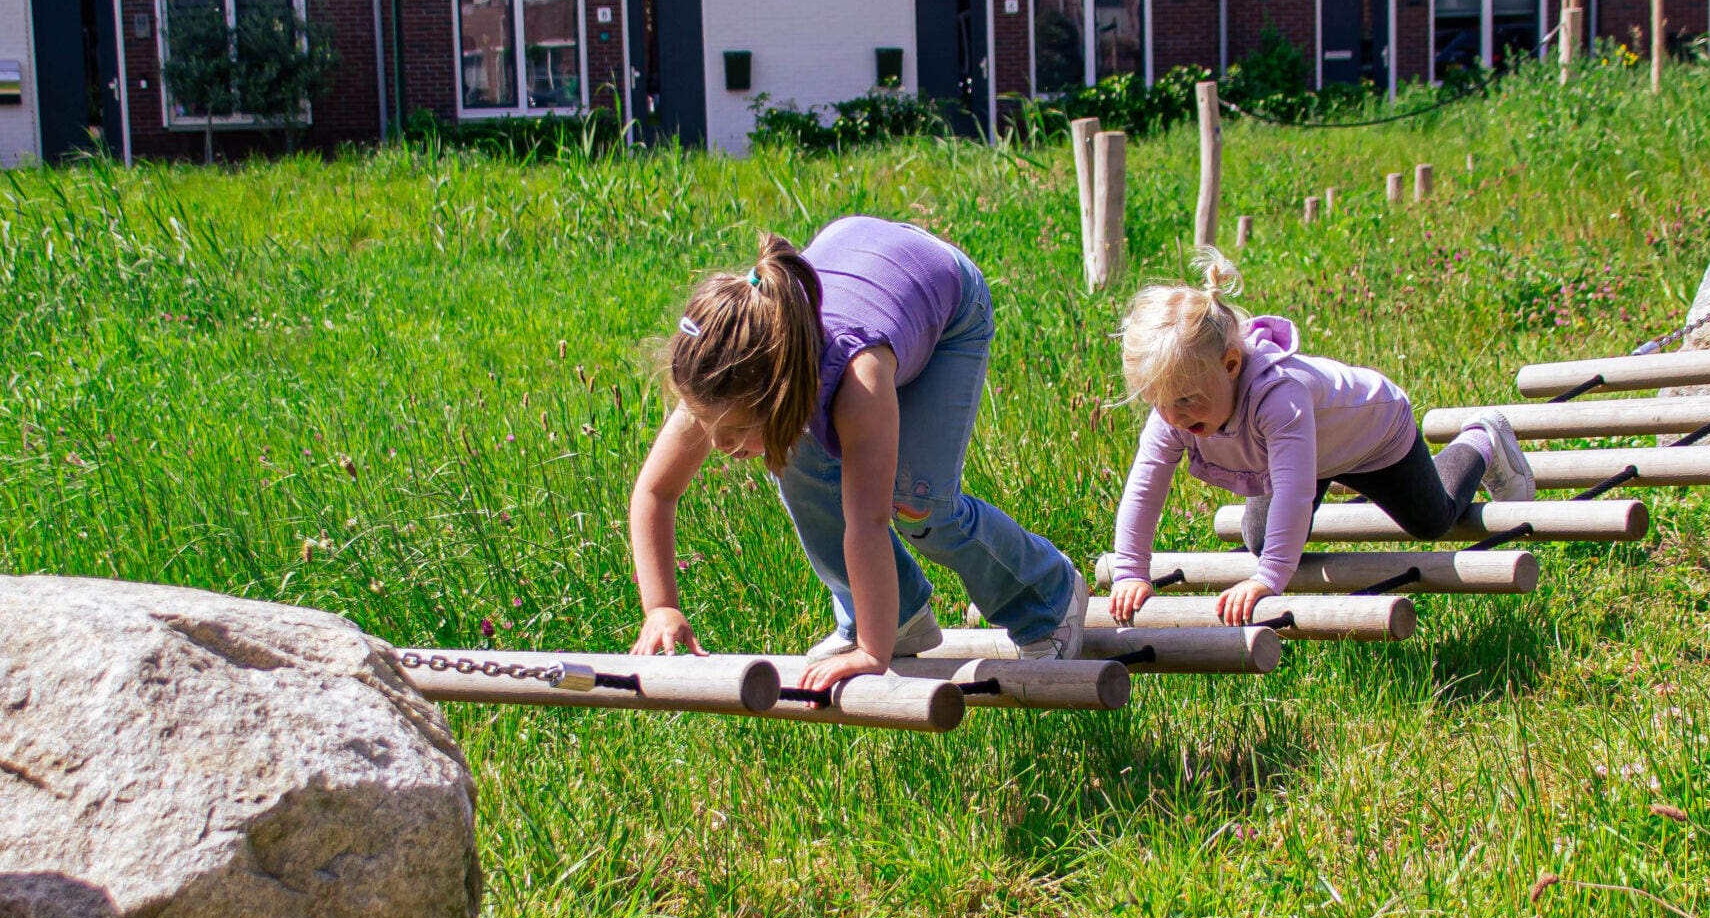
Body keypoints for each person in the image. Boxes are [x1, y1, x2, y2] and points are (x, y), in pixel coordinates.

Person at [629, 218, 1087, 690]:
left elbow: (868, 522)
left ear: (778, 391)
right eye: (709, 425)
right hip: (862, 270)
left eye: (735, 431)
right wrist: (661, 607)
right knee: (797, 464)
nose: (719, 445)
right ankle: (900, 617)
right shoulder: (720, 378)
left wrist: (872, 651)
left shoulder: (858, 380)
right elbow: (655, 493)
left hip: (947, 304)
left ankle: (1048, 595)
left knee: (920, 505)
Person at [1105, 250, 1534, 625]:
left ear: (1231, 365)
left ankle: (1482, 437)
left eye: (1185, 400)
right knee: (1260, 540)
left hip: (1373, 437)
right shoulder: (1174, 413)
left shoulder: (1279, 397)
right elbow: (1145, 486)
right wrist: (1130, 571)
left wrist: (1268, 578)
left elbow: (1293, 493)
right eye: (1158, 402)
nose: (1174, 416)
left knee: (1432, 520)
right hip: (1305, 454)